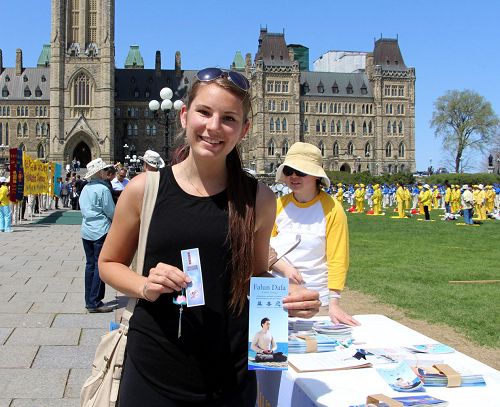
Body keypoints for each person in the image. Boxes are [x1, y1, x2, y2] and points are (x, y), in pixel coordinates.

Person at [98, 68, 320, 406]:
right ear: (185, 116)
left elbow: (256, 273)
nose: (214, 126)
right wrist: (144, 285)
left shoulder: (258, 198)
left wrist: (286, 294)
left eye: (229, 118)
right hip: (153, 373)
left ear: (244, 130)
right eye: (204, 112)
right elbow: (109, 263)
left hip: (228, 379)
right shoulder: (145, 189)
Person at [269, 142, 358, 327]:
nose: (293, 176)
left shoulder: (332, 209)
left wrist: (335, 302)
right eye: (289, 171)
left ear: (316, 175)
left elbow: (338, 258)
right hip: (279, 294)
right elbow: (263, 248)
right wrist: (285, 269)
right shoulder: (278, 205)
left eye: (300, 172)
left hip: (316, 300)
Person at [79, 158, 115, 313]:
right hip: (101, 230)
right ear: (100, 172)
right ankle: (95, 302)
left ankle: (89, 299)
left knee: (90, 265)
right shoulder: (103, 189)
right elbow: (111, 211)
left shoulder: (85, 188)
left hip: (86, 230)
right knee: (99, 266)